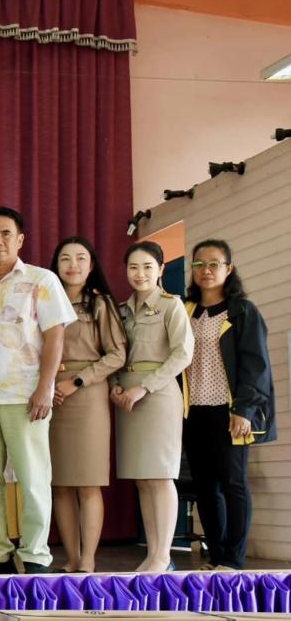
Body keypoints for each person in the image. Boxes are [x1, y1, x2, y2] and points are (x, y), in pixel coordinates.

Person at [0, 207, 76, 574]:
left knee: (33, 479)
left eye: (6, 233)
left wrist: (45, 388)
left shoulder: (42, 280)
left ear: (20, 239)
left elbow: (55, 337)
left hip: (25, 395)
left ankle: (35, 553)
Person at [183, 239, 275, 570]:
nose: (206, 271)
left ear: (228, 269)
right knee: (205, 488)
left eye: (214, 264)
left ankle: (234, 559)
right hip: (193, 412)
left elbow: (256, 365)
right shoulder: (185, 311)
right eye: (199, 264)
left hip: (229, 411)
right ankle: (217, 554)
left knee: (233, 483)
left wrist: (244, 410)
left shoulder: (243, 312)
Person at [111, 241, 193, 573]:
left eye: (147, 267)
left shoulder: (172, 306)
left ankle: (163, 555)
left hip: (157, 395)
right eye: (133, 267)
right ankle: (154, 554)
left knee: (160, 476)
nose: (140, 273)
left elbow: (183, 354)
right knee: (142, 479)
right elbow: (114, 353)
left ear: (161, 269)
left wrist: (144, 387)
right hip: (126, 398)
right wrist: (115, 384)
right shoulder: (120, 310)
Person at [47, 237, 127, 573]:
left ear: (91, 265)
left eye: (81, 258)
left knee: (88, 482)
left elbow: (117, 354)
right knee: (61, 484)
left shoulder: (100, 303)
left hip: (88, 395)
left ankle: (89, 559)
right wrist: (48, 385)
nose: (73, 265)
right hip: (51, 394)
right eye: (65, 258)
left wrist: (77, 381)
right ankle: (72, 557)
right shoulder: (44, 299)